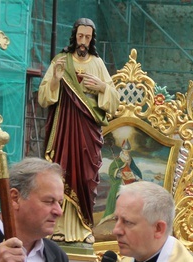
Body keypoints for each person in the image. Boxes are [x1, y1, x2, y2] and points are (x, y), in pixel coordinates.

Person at [38, 18, 120, 243]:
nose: (83, 41)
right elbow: (43, 97)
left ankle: (83, 228)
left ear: (92, 39)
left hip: (87, 131)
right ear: (74, 36)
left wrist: (102, 87)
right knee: (61, 174)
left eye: (88, 37)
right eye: (80, 36)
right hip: (64, 128)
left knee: (85, 177)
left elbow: (114, 101)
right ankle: (58, 228)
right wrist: (55, 79)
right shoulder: (61, 61)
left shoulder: (97, 63)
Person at [104, 139, 142, 221]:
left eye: (128, 151)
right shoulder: (119, 159)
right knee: (116, 192)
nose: (127, 152)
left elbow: (134, 169)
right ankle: (117, 213)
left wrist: (137, 177)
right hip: (120, 180)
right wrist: (118, 173)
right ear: (123, 150)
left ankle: (129, 213)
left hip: (129, 178)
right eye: (125, 151)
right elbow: (112, 169)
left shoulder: (130, 158)